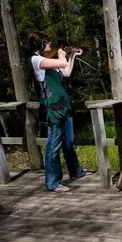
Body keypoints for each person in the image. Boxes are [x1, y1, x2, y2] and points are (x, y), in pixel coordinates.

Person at [27, 32, 90, 192]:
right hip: (52, 109)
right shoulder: (36, 60)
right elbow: (61, 62)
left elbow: (66, 71)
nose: (49, 45)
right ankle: (53, 182)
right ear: (40, 44)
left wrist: (73, 55)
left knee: (68, 141)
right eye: (46, 43)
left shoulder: (49, 61)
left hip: (62, 106)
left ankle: (75, 172)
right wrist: (63, 54)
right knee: (54, 144)